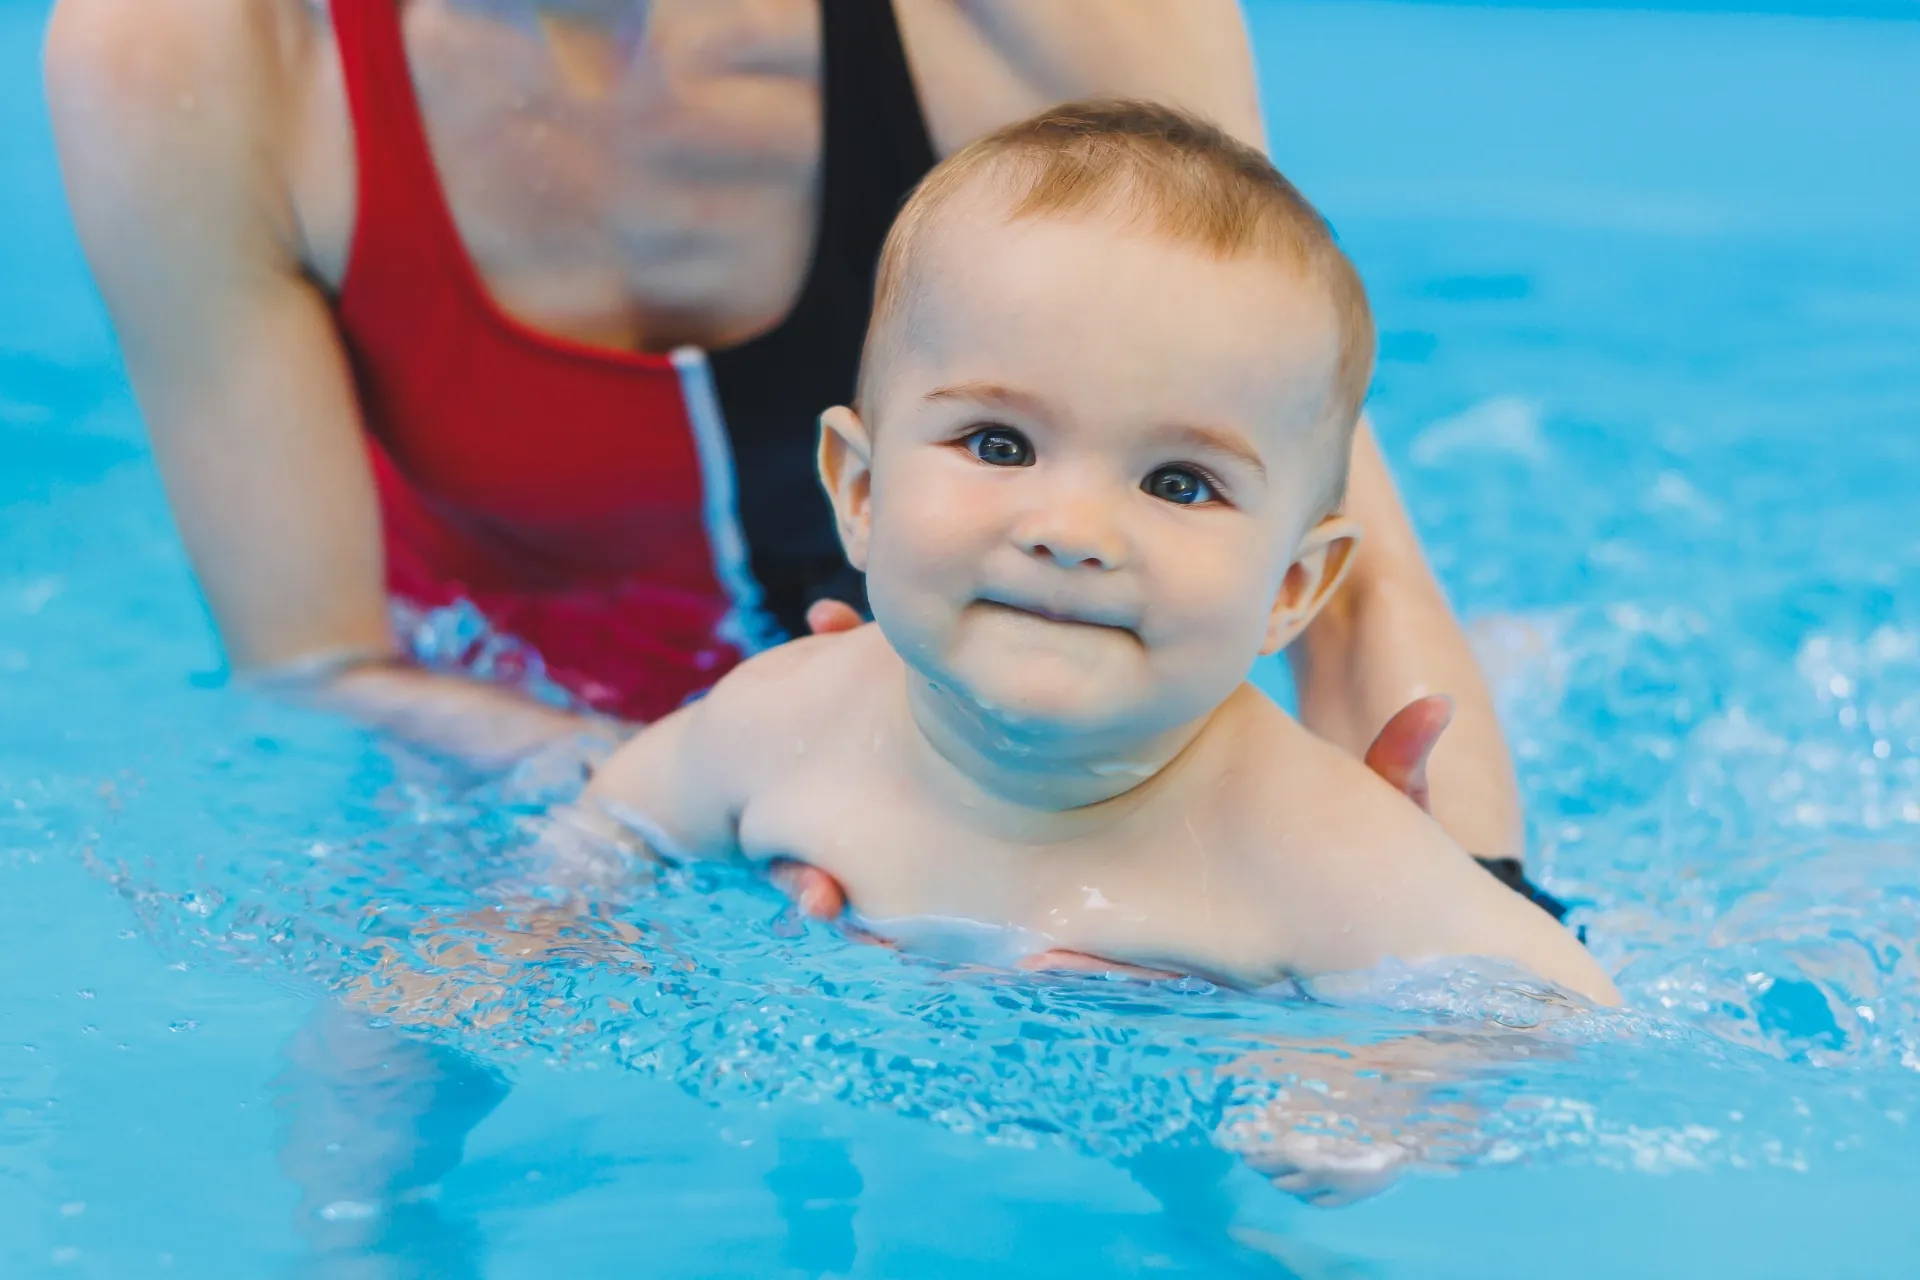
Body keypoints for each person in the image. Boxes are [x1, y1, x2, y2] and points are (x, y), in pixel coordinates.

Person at [45, 0, 1529, 866]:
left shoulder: (1023, 19)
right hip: (522, 762)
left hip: (1037, 720)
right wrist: (750, 791)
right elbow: (316, 665)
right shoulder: (200, 51)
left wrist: (1471, 920)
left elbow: (1340, 580)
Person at [575, 101, 1616, 1004]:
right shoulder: (786, 719)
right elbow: (602, 833)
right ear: (859, 488)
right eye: (999, 444)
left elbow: (1558, 1011)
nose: (1070, 531)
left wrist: (1381, 1077)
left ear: (1290, 589)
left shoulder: (1311, 842)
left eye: (1178, 482)